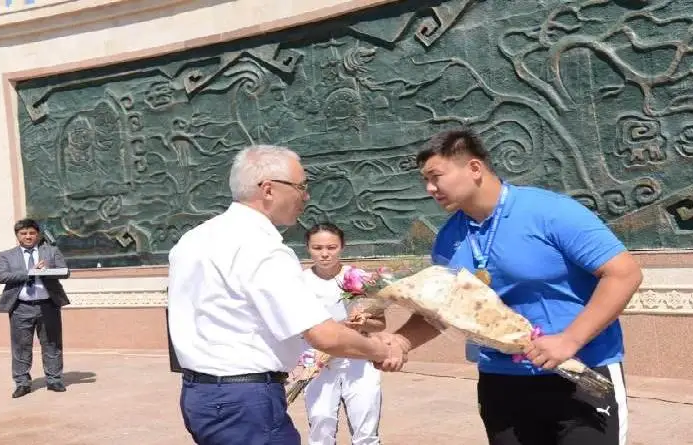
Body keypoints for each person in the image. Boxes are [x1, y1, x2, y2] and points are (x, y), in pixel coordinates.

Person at [376, 128, 643, 445]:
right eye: (425, 180)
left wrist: (570, 339)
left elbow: (624, 274)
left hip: (581, 374)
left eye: (436, 177)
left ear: (474, 168)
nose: (430, 188)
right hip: (501, 383)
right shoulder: (449, 238)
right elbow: (444, 308)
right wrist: (401, 341)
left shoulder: (550, 212)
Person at [167, 145, 408, 445]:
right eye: (301, 186)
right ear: (268, 189)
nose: (306, 196)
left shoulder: (193, 239)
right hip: (246, 401)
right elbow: (324, 335)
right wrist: (383, 351)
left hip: (200, 394)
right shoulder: (261, 248)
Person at [301, 223, 385, 445]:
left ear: (342, 246)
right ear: (308, 248)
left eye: (331, 247)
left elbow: (380, 324)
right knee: (321, 424)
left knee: (366, 430)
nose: (325, 254)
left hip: (359, 359)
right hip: (318, 361)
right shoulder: (300, 282)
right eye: (317, 248)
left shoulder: (359, 278)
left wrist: (363, 322)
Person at [0, 218, 71, 398]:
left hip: (48, 305)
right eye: (24, 233)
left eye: (32, 233)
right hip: (21, 307)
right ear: (17, 235)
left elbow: (65, 271)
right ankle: (22, 383)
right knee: (21, 347)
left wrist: (48, 269)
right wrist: (30, 272)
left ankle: (54, 379)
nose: (28, 236)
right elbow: (1, 276)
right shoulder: (7, 255)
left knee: (52, 343)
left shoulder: (51, 251)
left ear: (37, 234)